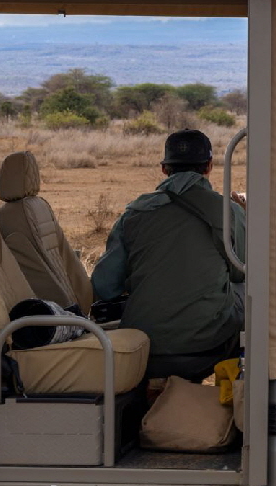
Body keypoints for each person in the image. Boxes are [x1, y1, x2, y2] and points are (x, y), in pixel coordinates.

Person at [92, 129, 246, 381]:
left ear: (164, 169)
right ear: (209, 166)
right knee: (247, 291)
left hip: (144, 344)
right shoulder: (227, 211)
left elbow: (104, 286)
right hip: (207, 346)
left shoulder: (134, 213)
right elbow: (241, 270)